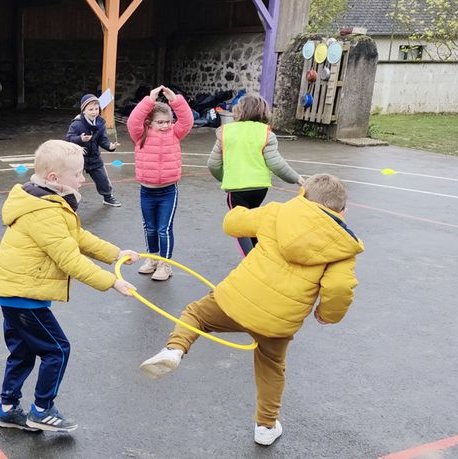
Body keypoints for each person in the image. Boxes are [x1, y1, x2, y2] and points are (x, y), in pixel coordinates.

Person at [139, 174, 363, 446]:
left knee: (196, 315)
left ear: (301, 196)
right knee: (271, 367)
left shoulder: (278, 212)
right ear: (342, 211)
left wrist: (246, 209)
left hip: (236, 299)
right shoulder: (343, 247)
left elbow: (232, 223)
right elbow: (340, 287)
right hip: (279, 321)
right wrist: (327, 314)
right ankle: (266, 427)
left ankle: (174, 349)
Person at [0, 139, 139, 433]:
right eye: (78, 174)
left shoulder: (48, 202)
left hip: (15, 293)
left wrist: (115, 254)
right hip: (23, 296)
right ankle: (42, 410)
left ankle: (7, 410)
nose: (83, 179)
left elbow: (79, 237)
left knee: (22, 352)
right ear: (55, 178)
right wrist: (112, 283)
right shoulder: (44, 212)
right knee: (57, 348)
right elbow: (70, 259)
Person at [206, 93, 304, 255]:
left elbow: (213, 164)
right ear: (263, 112)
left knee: (239, 225)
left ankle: (251, 260)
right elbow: (276, 163)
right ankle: (262, 253)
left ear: (238, 111)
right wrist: (297, 178)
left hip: (237, 189)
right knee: (252, 221)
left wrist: (225, 178)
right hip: (259, 189)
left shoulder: (226, 132)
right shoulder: (266, 133)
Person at [127, 85, 193, 281]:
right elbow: (133, 121)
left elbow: (187, 120)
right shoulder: (140, 134)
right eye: (160, 122)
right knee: (150, 227)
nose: (165, 125)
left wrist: (176, 101)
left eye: (168, 121)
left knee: (164, 228)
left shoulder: (175, 133)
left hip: (168, 191)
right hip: (147, 191)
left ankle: (165, 264)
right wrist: (149, 100)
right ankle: (153, 259)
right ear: (149, 122)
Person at [65, 94, 120, 207]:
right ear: (83, 110)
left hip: (94, 157)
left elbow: (103, 140)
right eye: (90, 109)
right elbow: (68, 139)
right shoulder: (77, 123)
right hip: (79, 158)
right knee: (72, 180)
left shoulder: (100, 123)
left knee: (103, 179)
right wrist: (80, 139)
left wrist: (110, 147)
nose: (94, 112)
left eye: (96, 109)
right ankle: (69, 199)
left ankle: (107, 197)